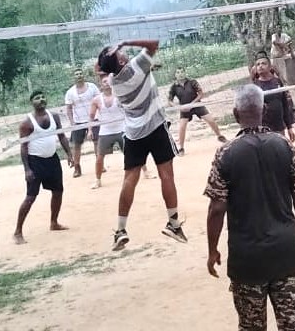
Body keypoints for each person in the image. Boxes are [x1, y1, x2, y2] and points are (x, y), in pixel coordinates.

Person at [205, 84, 295, 331]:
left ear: (235, 114)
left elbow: (216, 208)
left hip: (247, 257)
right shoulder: (284, 145)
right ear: (264, 110)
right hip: (286, 251)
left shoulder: (225, 153)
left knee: (251, 326)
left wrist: (212, 250)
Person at [97, 39, 185, 251]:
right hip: (156, 127)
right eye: (120, 52)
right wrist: (126, 42)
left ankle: (120, 230)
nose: (123, 51)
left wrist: (111, 55)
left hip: (133, 133)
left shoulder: (113, 81)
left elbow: (103, 66)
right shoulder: (137, 66)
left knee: (129, 179)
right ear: (120, 60)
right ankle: (173, 225)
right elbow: (154, 43)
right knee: (166, 175)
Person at [14, 90, 72, 244]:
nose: (41, 100)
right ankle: (18, 232)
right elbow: (23, 147)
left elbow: (61, 136)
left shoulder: (54, 117)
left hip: (52, 159)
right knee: (30, 197)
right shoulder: (27, 123)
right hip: (35, 162)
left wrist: (69, 154)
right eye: (37, 98)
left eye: (43, 97)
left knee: (58, 191)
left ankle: (54, 222)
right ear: (31, 102)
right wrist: (27, 169)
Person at [252, 57, 295, 163]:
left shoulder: (277, 81)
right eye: (258, 64)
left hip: (280, 120)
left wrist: (289, 126)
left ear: (269, 67)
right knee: (269, 150)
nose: (260, 66)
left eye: (263, 63)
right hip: (265, 123)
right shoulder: (255, 86)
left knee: (288, 141)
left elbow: (285, 102)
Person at [168, 68, 227, 156]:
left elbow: (201, 94)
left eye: (182, 72)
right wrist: (178, 107)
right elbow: (169, 101)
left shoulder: (192, 82)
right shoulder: (174, 86)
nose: (180, 74)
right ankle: (181, 148)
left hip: (196, 105)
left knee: (211, 120)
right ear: (175, 75)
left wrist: (192, 104)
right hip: (184, 108)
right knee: (182, 127)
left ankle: (220, 136)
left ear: (185, 73)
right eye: (178, 72)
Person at [64, 69, 99, 178]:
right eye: (76, 74)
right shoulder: (70, 92)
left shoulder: (92, 87)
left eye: (80, 73)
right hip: (78, 122)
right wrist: (72, 123)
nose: (79, 75)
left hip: (93, 119)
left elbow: (99, 101)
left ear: (83, 75)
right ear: (74, 77)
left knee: (97, 142)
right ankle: (77, 168)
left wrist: (101, 115)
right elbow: (69, 109)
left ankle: (100, 165)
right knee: (76, 146)